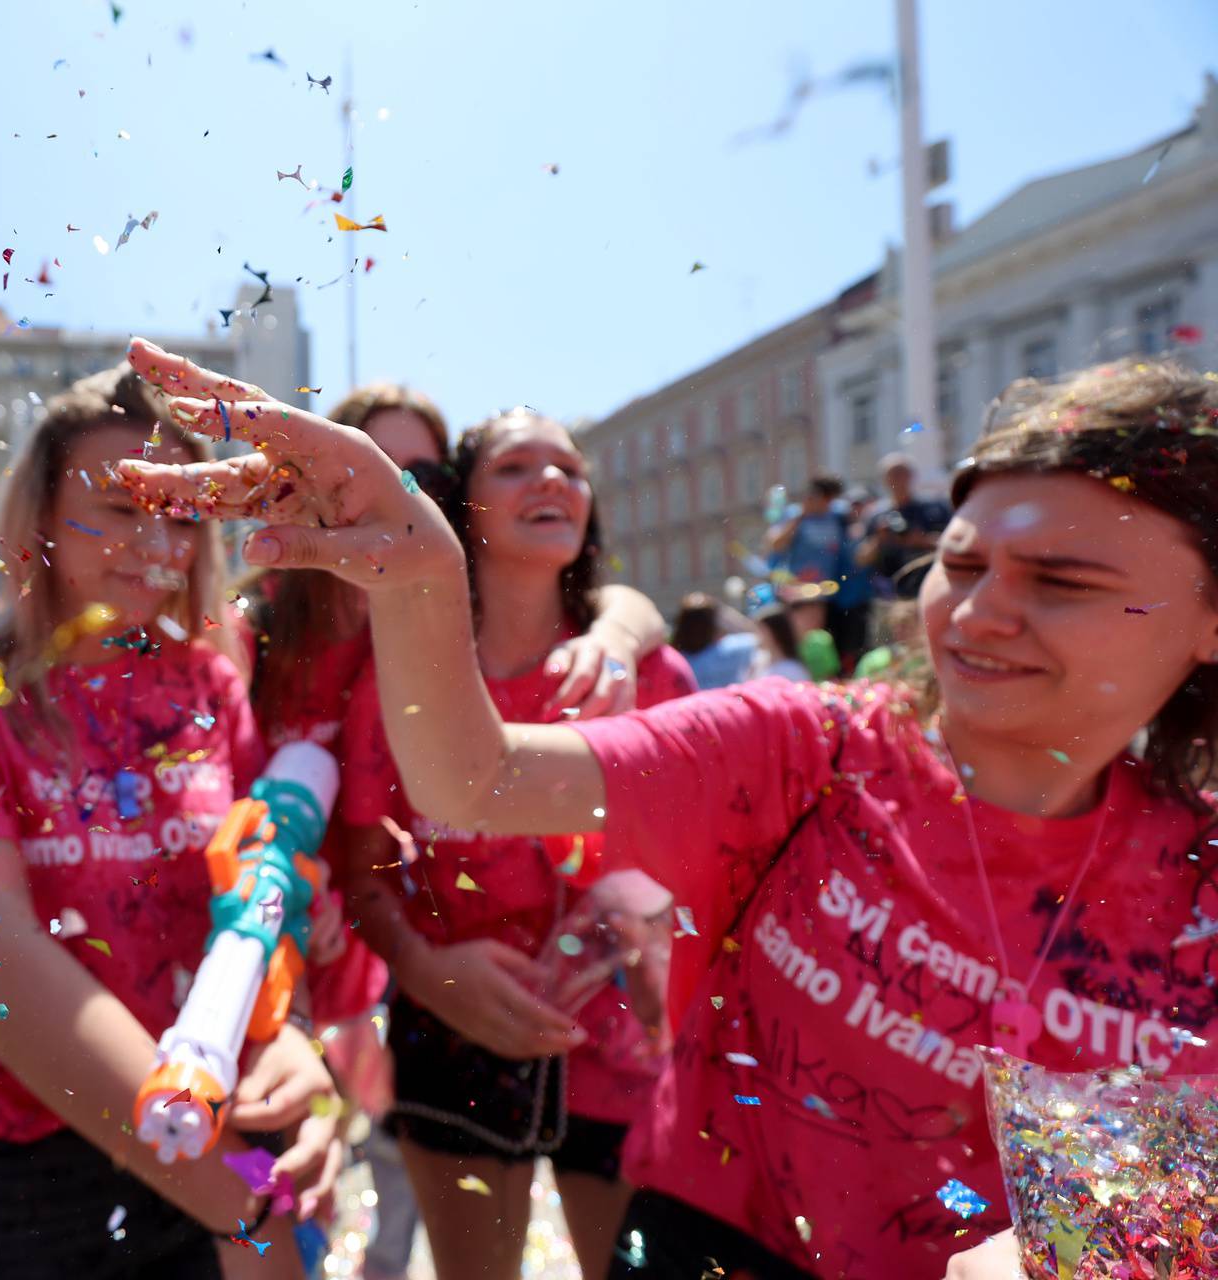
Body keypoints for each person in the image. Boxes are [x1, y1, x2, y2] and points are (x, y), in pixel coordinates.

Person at [114, 345, 1218, 1280]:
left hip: (611, 1078)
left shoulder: (1202, 878)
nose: (982, 613)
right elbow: (475, 780)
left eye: (1063, 581)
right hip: (702, 1231)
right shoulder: (806, 746)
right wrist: (422, 580)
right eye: (962, 561)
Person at [0, 365, 345, 1280]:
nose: (155, 541)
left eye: (178, 511)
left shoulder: (208, 682)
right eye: (122, 507)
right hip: (33, 1178)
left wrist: (290, 1040)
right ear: (36, 520)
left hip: (222, 1141)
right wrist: (231, 1197)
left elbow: (254, 894)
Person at [238, 385, 668, 1280]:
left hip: (626, 1045)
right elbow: (363, 873)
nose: (552, 479)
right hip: (447, 1032)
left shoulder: (647, 667)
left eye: (571, 467)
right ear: (459, 508)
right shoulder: (395, 673)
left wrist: (649, 939)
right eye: (514, 466)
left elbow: (719, 860)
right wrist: (430, 972)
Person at [769, 476, 871, 670]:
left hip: (826, 594)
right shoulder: (795, 514)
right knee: (800, 640)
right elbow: (776, 544)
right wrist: (801, 516)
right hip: (797, 593)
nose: (825, 504)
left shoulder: (838, 516)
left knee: (824, 644)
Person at [859, 451, 953, 601]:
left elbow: (953, 545)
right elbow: (861, 559)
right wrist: (879, 540)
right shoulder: (875, 515)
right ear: (884, 479)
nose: (897, 479)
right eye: (892, 474)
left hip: (927, 588)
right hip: (888, 592)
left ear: (912, 476)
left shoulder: (933, 509)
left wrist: (922, 540)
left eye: (901, 473)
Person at [671, 593, 761, 691]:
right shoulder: (732, 649)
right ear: (714, 622)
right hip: (730, 704)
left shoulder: (677, 661)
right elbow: (759, 634)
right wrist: (721, 610)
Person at [750, 603, 812, 682]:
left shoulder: (792, 670)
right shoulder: (759, 661)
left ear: (775, 634)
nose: (757, 636)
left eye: (762, 631)